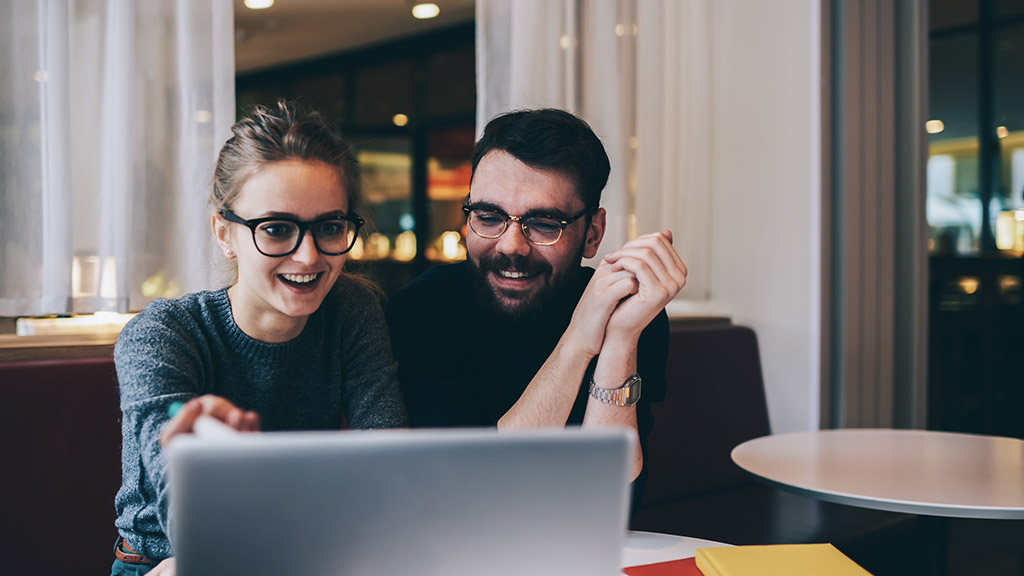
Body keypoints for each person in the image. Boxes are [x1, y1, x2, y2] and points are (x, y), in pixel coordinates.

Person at [111, 100, 408, 575]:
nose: (309, 256)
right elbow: (176, 504)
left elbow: (388, 464)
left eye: (330, 227)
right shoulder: (162, 334)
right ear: (224, 233)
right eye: (276, 229)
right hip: (166, 560)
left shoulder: (354, 310)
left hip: (310, 547)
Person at [385, 108, 687, 507]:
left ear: (592, 234)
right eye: (489, 216)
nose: (511, 245)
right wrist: (579, 341)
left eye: (544, 224)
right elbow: (472, 491)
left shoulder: (629, 314)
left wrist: (620, 338)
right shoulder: (421, 311)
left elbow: (611, 498)